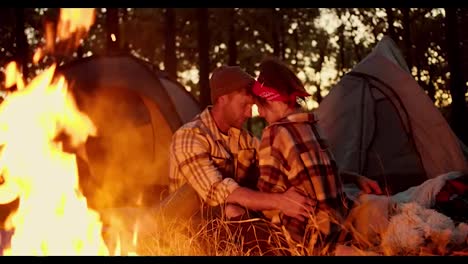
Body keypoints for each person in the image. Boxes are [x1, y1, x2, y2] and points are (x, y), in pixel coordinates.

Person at [167, 65, 315, 255]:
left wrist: (349, 178)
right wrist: (281, 201)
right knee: (233, 210)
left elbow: (280, 165)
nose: (249, 113)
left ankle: (294, 248)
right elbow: (218, 192)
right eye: (244, 105)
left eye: (252, 106)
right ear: (222, 99)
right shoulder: (189, 136)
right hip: (187, 224)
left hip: (226, 222)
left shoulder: (244, 139)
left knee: (261, 212)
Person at [250, 56, 382, 248]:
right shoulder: (313, 124)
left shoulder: (275, 133)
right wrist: (353, 178)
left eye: (260, 106)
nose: (260, 114)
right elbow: (319, 173)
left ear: (272, 100)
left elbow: (268, 195)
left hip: (305, 239)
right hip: (338, 227)